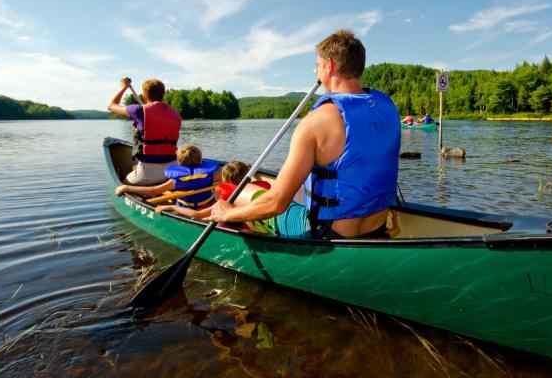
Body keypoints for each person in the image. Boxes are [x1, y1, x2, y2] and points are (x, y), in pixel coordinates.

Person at [206, 29, 401, 240]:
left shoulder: (316, 121)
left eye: (317, 66)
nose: (317, 72)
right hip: (377, 227)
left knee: (242, 192)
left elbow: (275, 203)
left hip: (329, 234)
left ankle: (240, 226)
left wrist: (228, 212)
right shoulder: (388, 109)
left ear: (330, 66)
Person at [156, 161, 277, 233]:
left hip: (242, 227)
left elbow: (196, 214)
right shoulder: (259, 188)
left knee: (205, 218)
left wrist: (172, 207)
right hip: (266, 225)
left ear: (224, 180)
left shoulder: (226, 197)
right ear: (247, 177)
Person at [108, 77, 181, 185]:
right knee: (135, 168)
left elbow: (111, 106)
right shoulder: (175, 113)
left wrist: (123, 87)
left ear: (145, 95)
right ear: (163, 94)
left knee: (123, 184)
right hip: (172, 169)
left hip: (148, 171)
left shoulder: (139, 110)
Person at [115, 144, 220, 209]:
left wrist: (125, 187)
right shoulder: (211, 176)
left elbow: (153, 191)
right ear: (200, 161)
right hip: (209, 204)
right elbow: (224, 177)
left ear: (179, 163)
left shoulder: (176, 182)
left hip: (186, 208)